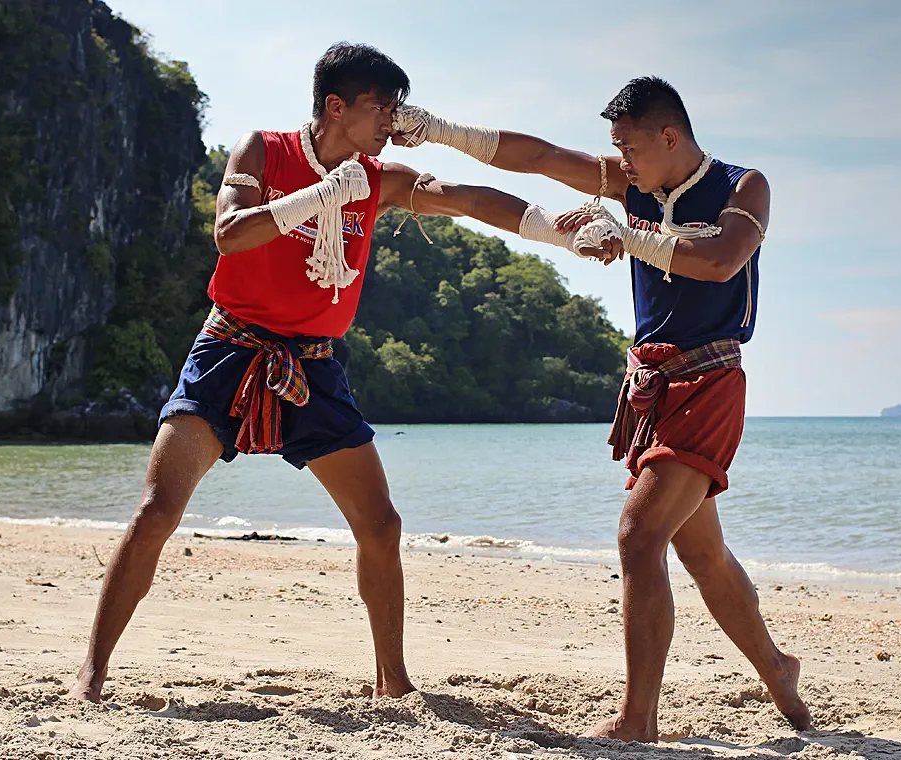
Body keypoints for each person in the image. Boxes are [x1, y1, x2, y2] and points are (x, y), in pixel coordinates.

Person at [69, 42, 612, 704]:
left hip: (314, 365)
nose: (393, 121)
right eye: (382, 107)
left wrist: (562, 232)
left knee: (381, 527)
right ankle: (90, 673)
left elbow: (468, 199)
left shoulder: (379, 179)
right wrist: (323, 194)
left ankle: (394, 683)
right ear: (336, 105)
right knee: (157, 511)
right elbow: (230, 233)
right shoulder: (262, 151)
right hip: (229, 347)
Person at [391, 76, 813, 741]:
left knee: (639, 535)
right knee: (701, 554)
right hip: (650, 385)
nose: (620, 161)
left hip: (709, 382)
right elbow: (536, 157)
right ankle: (775, 664)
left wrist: (628, 235)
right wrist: (440, 130)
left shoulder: (742, 185)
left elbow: (724, 262)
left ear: (669, 136)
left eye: (628, 147)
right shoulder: (630, 182)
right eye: (614, 149)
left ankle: (637, 721)